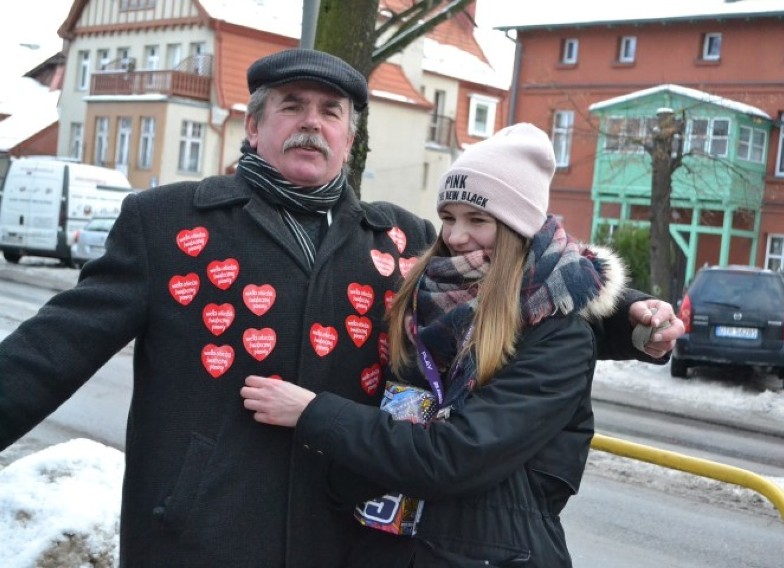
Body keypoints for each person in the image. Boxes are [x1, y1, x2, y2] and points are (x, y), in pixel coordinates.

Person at [0, 49, 680, 567]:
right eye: (292, 106)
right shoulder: (168, 225)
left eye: (331, 113)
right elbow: (52, 349)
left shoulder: (399, 241)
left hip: (347, 539)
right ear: (254, 123)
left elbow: (524, 285)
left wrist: (636, 319)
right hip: (203, 536)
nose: (312, 124)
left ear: (350, 137)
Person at [240, 123, 652, 566]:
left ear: (519, 230)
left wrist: (313, 413)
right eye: (449, 218)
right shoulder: (422, 300)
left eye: (478, 220)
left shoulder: (559, 337)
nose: (455, 237)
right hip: (390, 545)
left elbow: (455, 456)